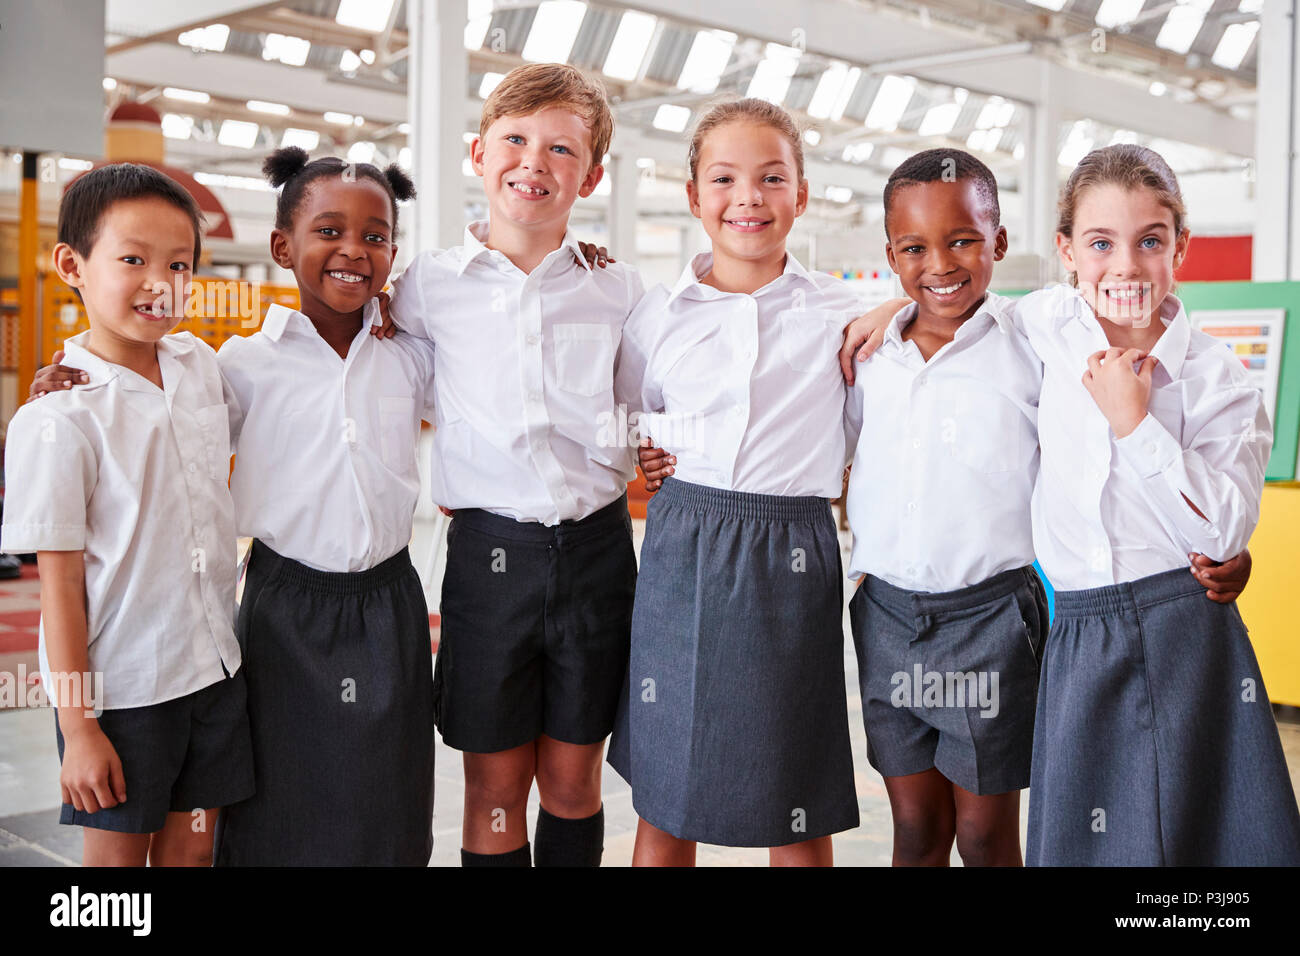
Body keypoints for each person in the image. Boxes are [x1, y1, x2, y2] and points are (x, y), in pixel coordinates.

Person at [386, 63, 643, 867]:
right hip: (490, 561)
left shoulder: (619, 290)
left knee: (573, 784)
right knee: (493, 794)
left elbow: (653, 403)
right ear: (478, 152)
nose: (535, 162)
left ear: (591, 175)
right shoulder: (424, 288)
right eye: (516, 140)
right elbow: (342, 342)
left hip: (597, 554)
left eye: (562, 149)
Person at [1017, 144, 1300, 865]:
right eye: (1100, 242)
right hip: (1078, 628)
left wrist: (1134, 421)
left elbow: (1223, 527)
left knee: (1200, 847)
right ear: (1066, 251)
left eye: (1150, 241)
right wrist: (894, 306)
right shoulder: (1042, 329)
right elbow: (958, 311)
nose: (1126, 266)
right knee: (1087, 844)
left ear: (1181, 248)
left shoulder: (1220, 381)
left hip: (1189, 634)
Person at [607, 98, 861, 866]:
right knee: (669, 786)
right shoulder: (657, 316)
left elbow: (861, 430)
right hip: (685, 546)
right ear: (693, 197)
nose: (748, 197)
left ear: (801, 195)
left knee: (794, 783)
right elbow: (628, 417)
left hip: (794, 550)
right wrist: (653, 447)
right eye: (724, 178)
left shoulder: (842, 316)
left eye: (771, 178)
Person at [1, 163, 252, 865]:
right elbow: (59, 588)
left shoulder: (199, 364)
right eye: (132, 259)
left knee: (192, 856)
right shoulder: (60, 417)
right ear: (71, 265)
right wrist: (78, 726)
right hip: (125, 693)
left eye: (179, 263)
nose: (159, 281)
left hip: (214, 671)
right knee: (115, 869)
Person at [841, 149, 1046, 865]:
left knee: (987, 836)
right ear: (891, 255)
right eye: (915, 248)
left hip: (992, 617)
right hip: (888, 614)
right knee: (915, 830)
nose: (941, 263)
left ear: (999, 241)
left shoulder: (1033, 344)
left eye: (963, 240)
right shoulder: (865, 355)